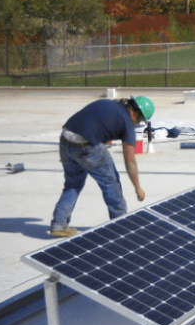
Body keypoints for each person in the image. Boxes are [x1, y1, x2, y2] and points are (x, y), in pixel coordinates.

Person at [49, 95, 155, 237]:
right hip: (87, 146)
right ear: (136, 113)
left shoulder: (109, 104)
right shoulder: (128, 122)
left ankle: (59, 225)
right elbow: (130, 161)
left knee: (73, 184)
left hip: (65, 140)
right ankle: (120, 226)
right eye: (141, 120)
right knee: (111, 183)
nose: (138, 123)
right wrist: (137, 187)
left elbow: (97, 121)